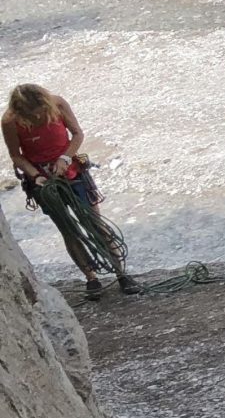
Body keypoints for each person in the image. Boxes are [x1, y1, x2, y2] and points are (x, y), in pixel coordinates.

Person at [3, 84, 140, 298]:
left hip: (74, 172)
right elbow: (16, 155)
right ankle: (91, 278)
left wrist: (65, 158)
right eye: (33, 114)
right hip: (43, 182)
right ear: (21, 111)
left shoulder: (57, 104)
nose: (38, 116)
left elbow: (77, 134)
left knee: (96, 224)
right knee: (68, 229)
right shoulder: (10, 121)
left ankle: (122, 274)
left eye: (40, 111)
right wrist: (35, 175)